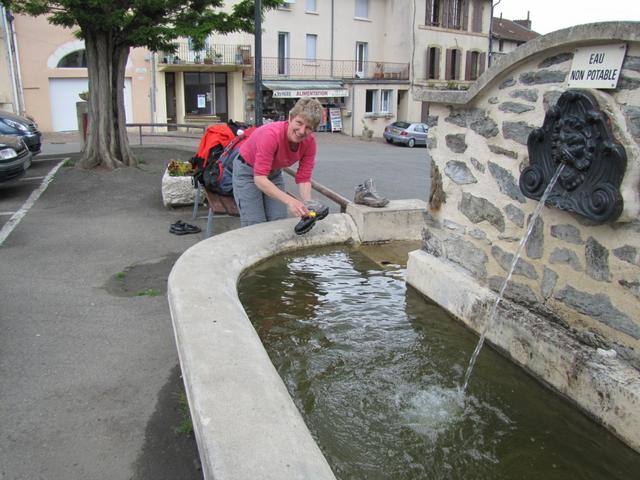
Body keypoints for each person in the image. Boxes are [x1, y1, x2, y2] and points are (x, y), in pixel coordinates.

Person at [232, 97, 324, 227]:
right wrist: (291, 201)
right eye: (299, 123)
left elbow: (304, 178)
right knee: (255, 223)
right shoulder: (271, 135)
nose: (302, 131)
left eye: (308, 127)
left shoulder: (309, 142)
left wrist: (308, 204)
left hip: (273, 172)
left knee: (278, 220)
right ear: (290, 118)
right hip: (247, 170)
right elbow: (260, 179)